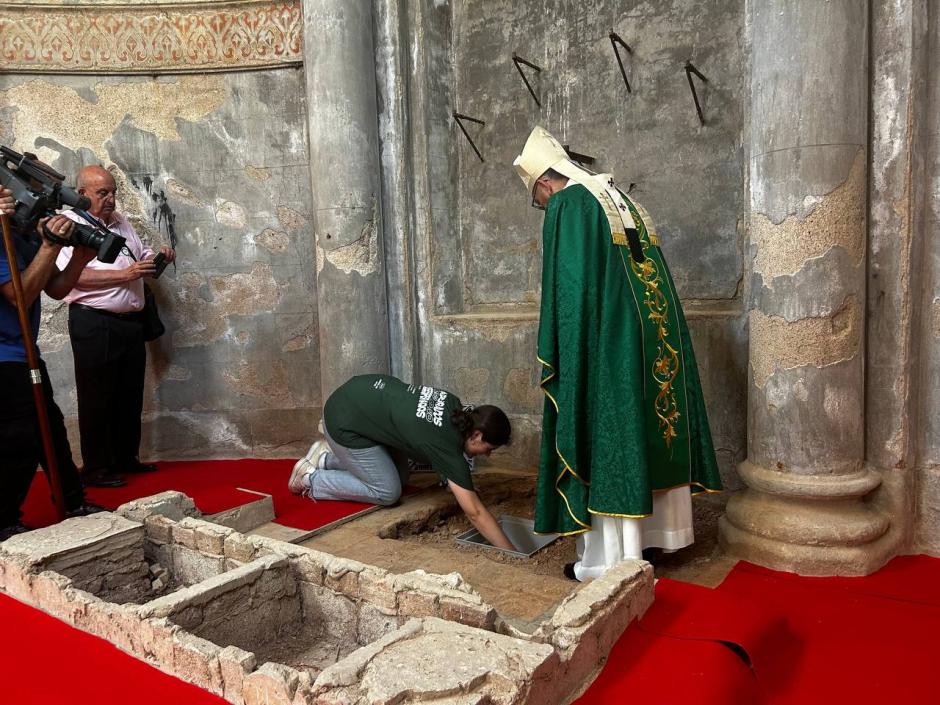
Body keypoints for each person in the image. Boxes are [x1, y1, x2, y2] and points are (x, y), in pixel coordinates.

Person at [512, 126, 722, 580]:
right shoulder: (618, 196)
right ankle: (660, 538)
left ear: (544, 184)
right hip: (651, 340)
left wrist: (563, 351)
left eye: (538, 199)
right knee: (647, 428)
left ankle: (611, 560)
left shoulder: (570, 203)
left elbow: (570, 292)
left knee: (608, 431)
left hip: (608, 344)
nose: (543, 207)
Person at [289, 374, 517, 551]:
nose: (488, 455)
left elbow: (432, 439)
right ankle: (311, 478)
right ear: (477, 435)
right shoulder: (446, 444)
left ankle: (325, 459)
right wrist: (511, 551)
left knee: (401, 476)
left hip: (356, 396)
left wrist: (451, 477)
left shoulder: (454, 406)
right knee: (387, 491)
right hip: (343, 421)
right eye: (490, 449)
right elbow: (475, 512)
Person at [56, 166, 175, 488]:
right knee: (97, 397)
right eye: (102, 193)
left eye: (113, 192)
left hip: (129, 323)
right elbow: (72, 277)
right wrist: (127, 275)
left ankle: (125, 458)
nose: (111, 199)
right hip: (95, 322)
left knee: (128, 394)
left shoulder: (120, 222)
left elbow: (136, 257)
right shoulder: (70, 226)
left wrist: (156, 259)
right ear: (81, 195)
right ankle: (96, 468)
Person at [0, 186, 103, 541]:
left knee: (52, 433)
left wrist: (79, 258)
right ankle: (3, 520)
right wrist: (49, 245)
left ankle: (73, 502)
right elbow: (20, 294)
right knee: (22, 437)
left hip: (25, 352)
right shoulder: (1, 235)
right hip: (3, 358)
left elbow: (54, 289)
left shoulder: (21, 234)